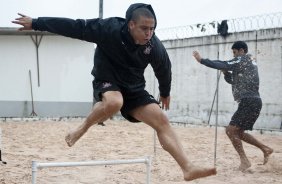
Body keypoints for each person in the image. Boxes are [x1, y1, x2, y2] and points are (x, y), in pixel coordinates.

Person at [12, 3, 216, 181]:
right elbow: (75, 26)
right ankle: (82, 128)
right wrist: (37, 22)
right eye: (144, 28)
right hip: (107, 78)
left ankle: (188, 168)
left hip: (134, 87)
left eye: (152, 29)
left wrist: (165, 92)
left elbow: (164, 68)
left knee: (161, 119)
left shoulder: (154, 45)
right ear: (131, 24)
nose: (149, 33)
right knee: (114, 102)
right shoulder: (107, 29)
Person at [193, 41, 273, 171]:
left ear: (241, 50)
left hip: (249, 101)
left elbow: (223, 63)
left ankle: (245, 161)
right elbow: (233, 81)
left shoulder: (242, 59)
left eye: (234, 52)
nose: (234, 56)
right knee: (238, 132)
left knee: (230, 130)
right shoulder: (249, 63)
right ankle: (265, 149)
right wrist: (225, 73)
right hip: (254, 101)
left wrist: (202, 60)